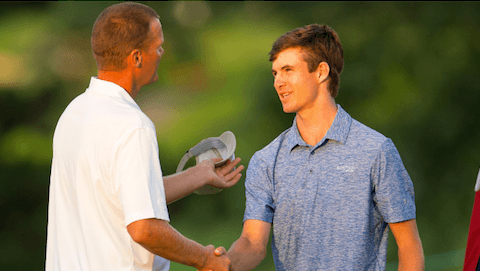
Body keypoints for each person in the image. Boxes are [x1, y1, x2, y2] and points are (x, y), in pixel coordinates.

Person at [45, 2, 244, 271]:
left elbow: (121, 198)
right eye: (158, 46)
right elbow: (144, 228)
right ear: (137, 57)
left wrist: (199, 174)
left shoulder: (75, 113)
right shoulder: (133, 125)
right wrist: (204, 258)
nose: (162, 52)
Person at [216, 24, 424, 270]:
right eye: (275, 73)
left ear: (321, 72)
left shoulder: (375, 150)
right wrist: (223, 264)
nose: (278, 82)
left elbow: (409, 247)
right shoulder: (266, 160)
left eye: (288, 70)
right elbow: (252, 243)